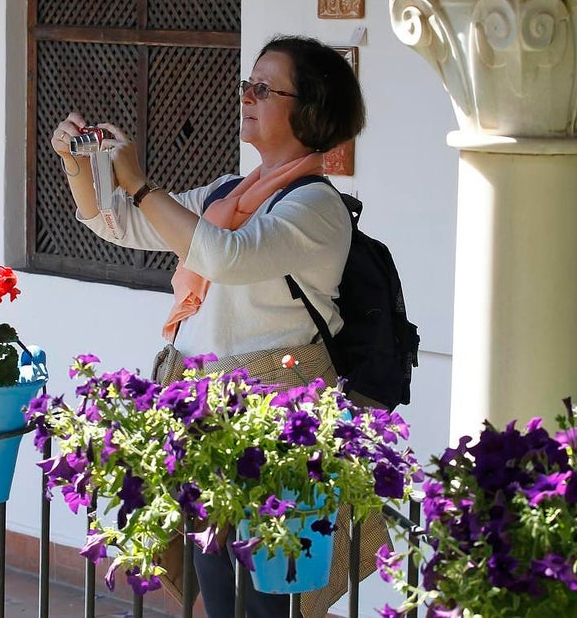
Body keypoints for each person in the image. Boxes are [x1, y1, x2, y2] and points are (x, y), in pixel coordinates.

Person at [50, 35, 385, 618]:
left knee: (269, 598)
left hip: (277, 420)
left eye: (264, 89)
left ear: (309, 109)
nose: (247, 96)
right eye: (248, 85)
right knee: (217, 588)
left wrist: (141, 184)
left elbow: (224, 256)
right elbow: (121, 224)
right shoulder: (229, 193)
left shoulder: (316, 207)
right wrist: (79, 164)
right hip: (210, 415)